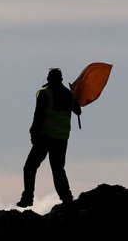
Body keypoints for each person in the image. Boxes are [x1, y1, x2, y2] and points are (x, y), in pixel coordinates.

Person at [17, 68, 82, 208]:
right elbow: (78, 111)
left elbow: (38, 116)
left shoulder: (45, 94)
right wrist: (76, 98)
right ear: (61, 80)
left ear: (48, 80)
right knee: (58, 169)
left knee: (30, 167)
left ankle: (28, 197)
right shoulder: (70, 95)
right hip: (62, 138)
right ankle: (67, 198)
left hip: (44, 137)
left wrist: (33, 133)